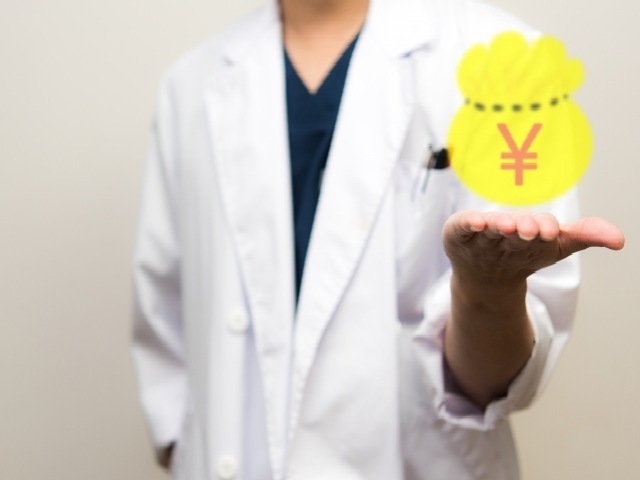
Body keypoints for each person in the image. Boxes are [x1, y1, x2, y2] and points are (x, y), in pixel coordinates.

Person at [131, 0, 625, 478]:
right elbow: (164, 321)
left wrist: (487, 290)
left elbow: (496, 384)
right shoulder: (191, 85)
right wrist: (186, 446)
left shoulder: (509, 61)